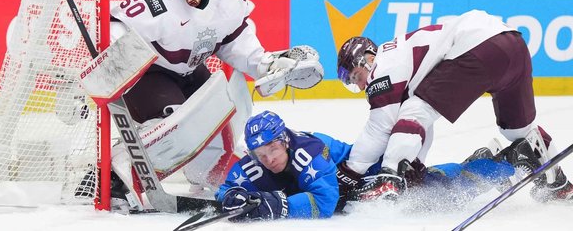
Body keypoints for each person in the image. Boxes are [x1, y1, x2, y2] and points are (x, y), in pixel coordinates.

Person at [107, 0, 323, 211]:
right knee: (177, 124)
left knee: (220, 121)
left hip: (191, 69)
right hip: (150, 74)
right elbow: (116, 33)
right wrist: (109, 67)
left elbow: (236, 42)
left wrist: (263, 64)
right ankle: (116, 171)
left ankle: (206, 173)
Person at [334, 9, 573, 203]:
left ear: (368, 57)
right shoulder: (398, 56)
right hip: (514, 44)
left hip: (480, 47)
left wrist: (349, 171)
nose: (361, 85)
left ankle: (389, 180)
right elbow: (416, 128)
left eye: (356, 76)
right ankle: (559, 183)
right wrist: (415, 162)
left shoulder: (383, 67)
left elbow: (380, 129)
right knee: (519, 131)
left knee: (416, 110)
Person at [215, 110, 540, 220]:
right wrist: (230, 197)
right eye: (260, 153)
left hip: (371, 176)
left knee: (440, 193)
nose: (268, 157)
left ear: (284, 140)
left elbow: (324, 202)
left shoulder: (308, 151)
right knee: (437, 185)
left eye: (273, 147)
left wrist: (274, 206)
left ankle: (510, 160)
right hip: (352, 188)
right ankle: (481, 162)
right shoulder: (258, 159)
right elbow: (229, 186)